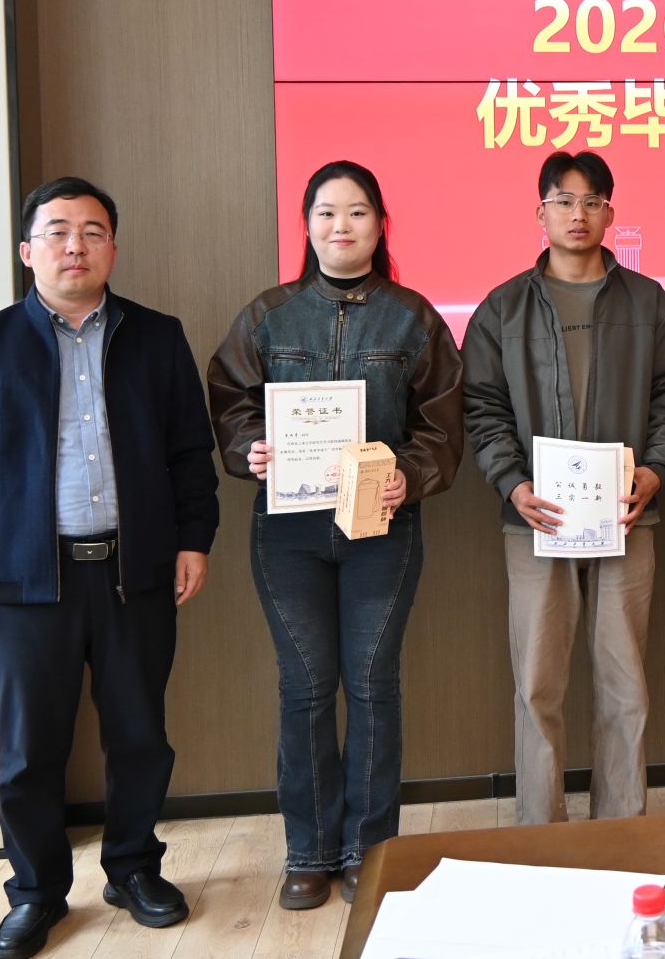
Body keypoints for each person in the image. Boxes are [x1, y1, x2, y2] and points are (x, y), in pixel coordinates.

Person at [0, 178, 217, 959]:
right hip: (27, 581)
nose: (75, 245)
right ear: (28, 250)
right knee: (29, 752)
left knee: (139, 736)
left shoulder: (156, 338)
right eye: (57, 231)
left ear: (113, 248)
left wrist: (194, 538)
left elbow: (191, 453)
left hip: (136, 570)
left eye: (92, 231)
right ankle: (36, 891)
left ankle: (133, 868)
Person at [207, 161, 464, 907]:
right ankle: (309, 850)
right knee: (307, 685)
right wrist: (249, 448)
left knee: (374, 684)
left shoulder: (413, 318)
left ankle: (367, 849)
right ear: (307, 225)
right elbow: (230, 403)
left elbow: (442, 426)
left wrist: (409, 474)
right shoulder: (269, 315)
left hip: (382, 528)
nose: (341, 225)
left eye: (356, 212)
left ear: (380, 225)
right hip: (287, 535)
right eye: (326, 212)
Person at [461, 150, 665, 825]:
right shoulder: (502, 308)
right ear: (540, 212)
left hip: (626, 516)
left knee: (625, 685)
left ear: (610, 213)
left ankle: (620, 829)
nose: (578, 213)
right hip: (538, 519)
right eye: (563, 200)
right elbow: (483, 407)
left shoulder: (649, 303)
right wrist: (512, 483)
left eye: (592, 201)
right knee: (538, 685)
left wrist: (656, 469)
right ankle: (542, 831)